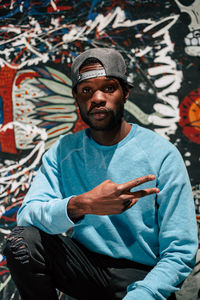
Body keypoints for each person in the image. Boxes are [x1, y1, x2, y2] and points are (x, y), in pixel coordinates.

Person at [3, 48, 198, 300]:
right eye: (86, 90)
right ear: (76, 98)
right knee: (22, 242)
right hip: (86, 269)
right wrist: (82, 205)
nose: (97, 98)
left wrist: (144, 294)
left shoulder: (161, 155)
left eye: (108, 88)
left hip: (142, 277)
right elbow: (27, 216)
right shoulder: (63, 152)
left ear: (125, 93)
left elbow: (180, 250)